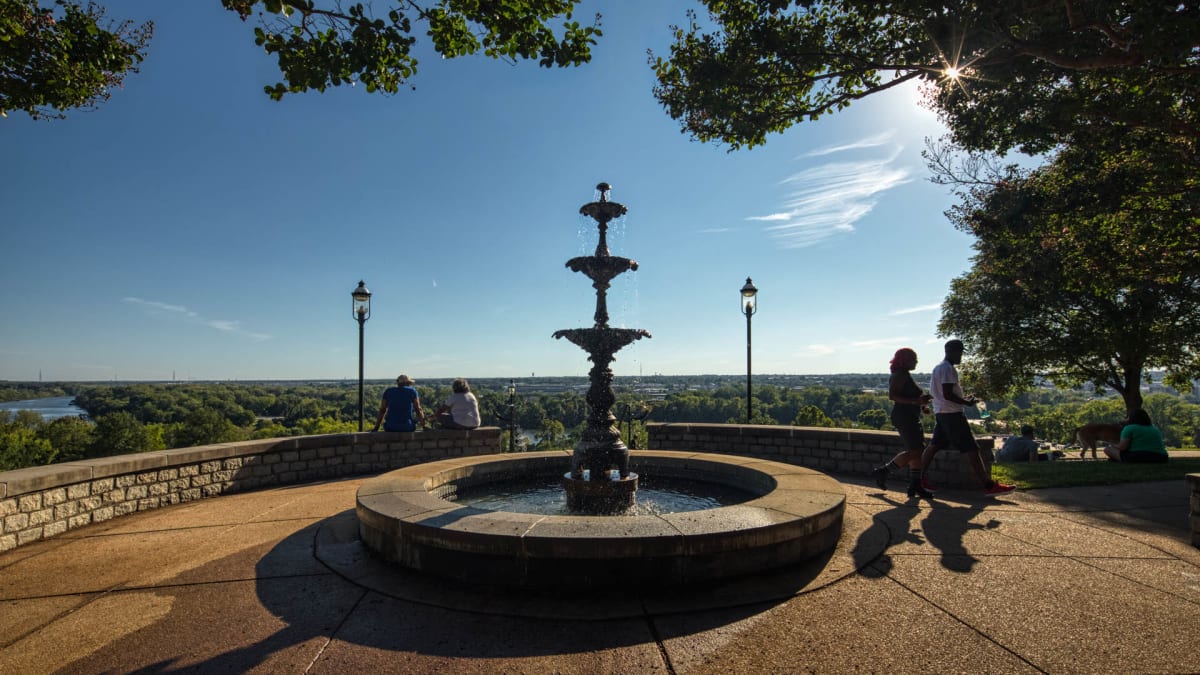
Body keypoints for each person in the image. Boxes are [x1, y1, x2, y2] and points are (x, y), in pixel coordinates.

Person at [911, 339, 1015, 497]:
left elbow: (943, 393)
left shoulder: (938, 367)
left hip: (942, 412)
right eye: (960, 353)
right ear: (952, 352)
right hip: (952, 414)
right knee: (972, 449)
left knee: (934, 445)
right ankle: (988, 486)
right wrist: (966, 402)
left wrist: (963, 398)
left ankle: (918, 480)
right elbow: (947, 394)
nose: (961, 357)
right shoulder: (948, 369)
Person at [871, 348, 933, 493]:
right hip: (904, 417)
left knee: (917, 450)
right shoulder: (899, 375)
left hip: (910, 416)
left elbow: (909, 397)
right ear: (905, 360)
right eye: (914, 359)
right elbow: (892, 396)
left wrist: (922, 404)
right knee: (915, 450)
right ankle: (884, 471)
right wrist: (916, 401)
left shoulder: (904, 374)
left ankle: (915, 484)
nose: (916, 362)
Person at [1103, 409, 1167, 463]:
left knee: (1108, 449)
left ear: (1131, 418)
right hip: (1161, 458)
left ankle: (1118, 459)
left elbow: (1122, 447)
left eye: (1128, 417)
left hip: (1138, 457)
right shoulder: (1154, 428)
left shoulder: (1129, 428)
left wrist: (1113, 444)